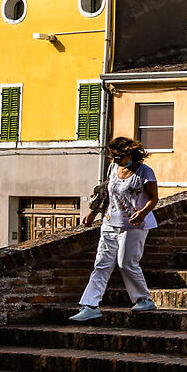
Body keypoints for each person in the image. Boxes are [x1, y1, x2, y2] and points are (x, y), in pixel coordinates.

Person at [72, 136, 159, 320]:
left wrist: (142, 213)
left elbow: (153, 198)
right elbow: (105, 193)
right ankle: (90, 305)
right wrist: (93, 212)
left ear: (130, 154)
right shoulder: (113, 168)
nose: (115, 160)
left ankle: (144, 300)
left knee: (126, 263)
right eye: (113, 157)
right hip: (109, 222)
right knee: (101, 264)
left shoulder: (145, 172)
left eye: (118, 157)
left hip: (134, 226)